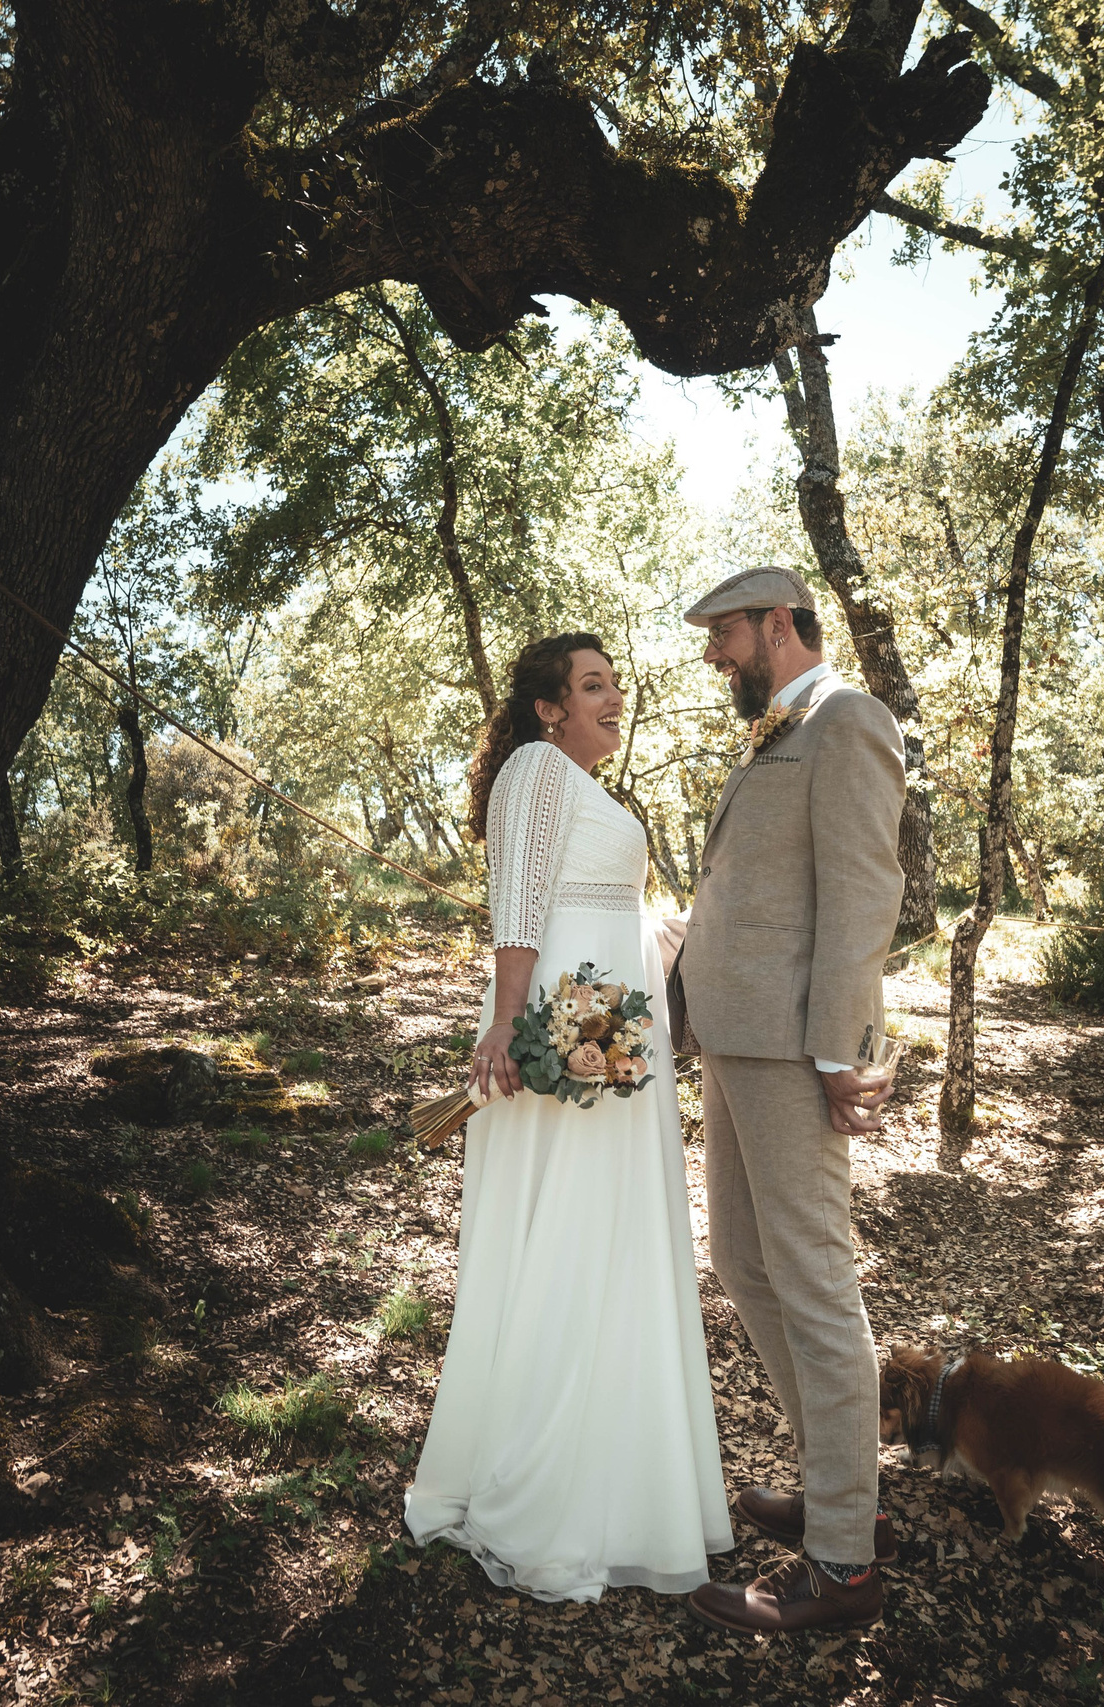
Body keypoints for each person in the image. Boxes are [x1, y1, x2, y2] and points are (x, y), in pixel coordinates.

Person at [403, 633, 734, 1602]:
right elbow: (518, 907)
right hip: (565, 1023)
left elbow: (599, 902)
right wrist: (508, 1027)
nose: (613, 698)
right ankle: (546, 1494)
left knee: (615, 1244)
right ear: (548, 707)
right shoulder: (537, 770)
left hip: (613, 1021)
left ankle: (624, 1486)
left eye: (614, 682)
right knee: (568, 1239)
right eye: (592, 685)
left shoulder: (581, 785)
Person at [666, 568, 905, 1634]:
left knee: (812, 1285)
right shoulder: (774, 728)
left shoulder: (845, 719)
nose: (714, 654)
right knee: (744, 1263)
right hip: (730, 1042)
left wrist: (842, 1053)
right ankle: (836, 1483)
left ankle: (844, 1566)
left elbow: (861, 896)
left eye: (724, 634)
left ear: (776, 623)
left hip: (791, 1054)